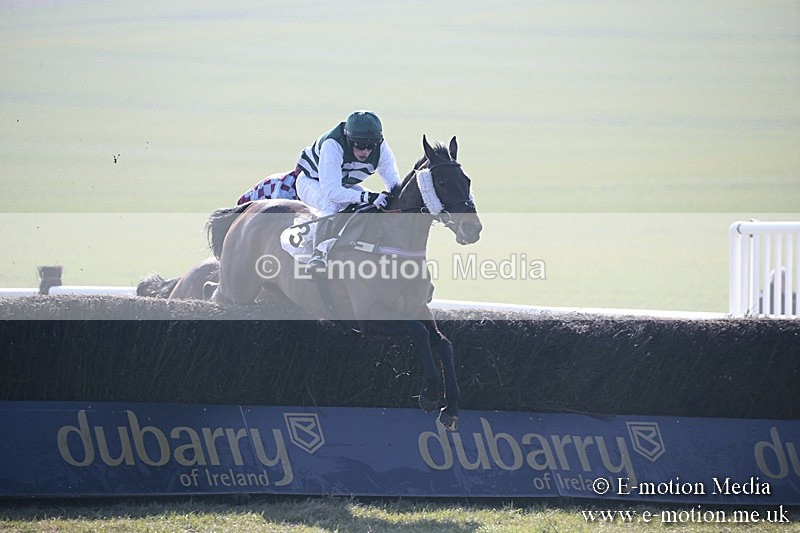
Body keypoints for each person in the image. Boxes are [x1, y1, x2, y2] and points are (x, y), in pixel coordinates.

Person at [295, 110, 401, 274]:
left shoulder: (382, 149)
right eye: (359, 145)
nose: (365, 152)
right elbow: (331, 192)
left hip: (343, 185)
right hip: (311, 182)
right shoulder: (333, 145)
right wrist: (368, 196)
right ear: (348, 140)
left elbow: (394, 184)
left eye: (370, 146)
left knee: (371, 204)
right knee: (331, 204)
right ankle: (318, 255)